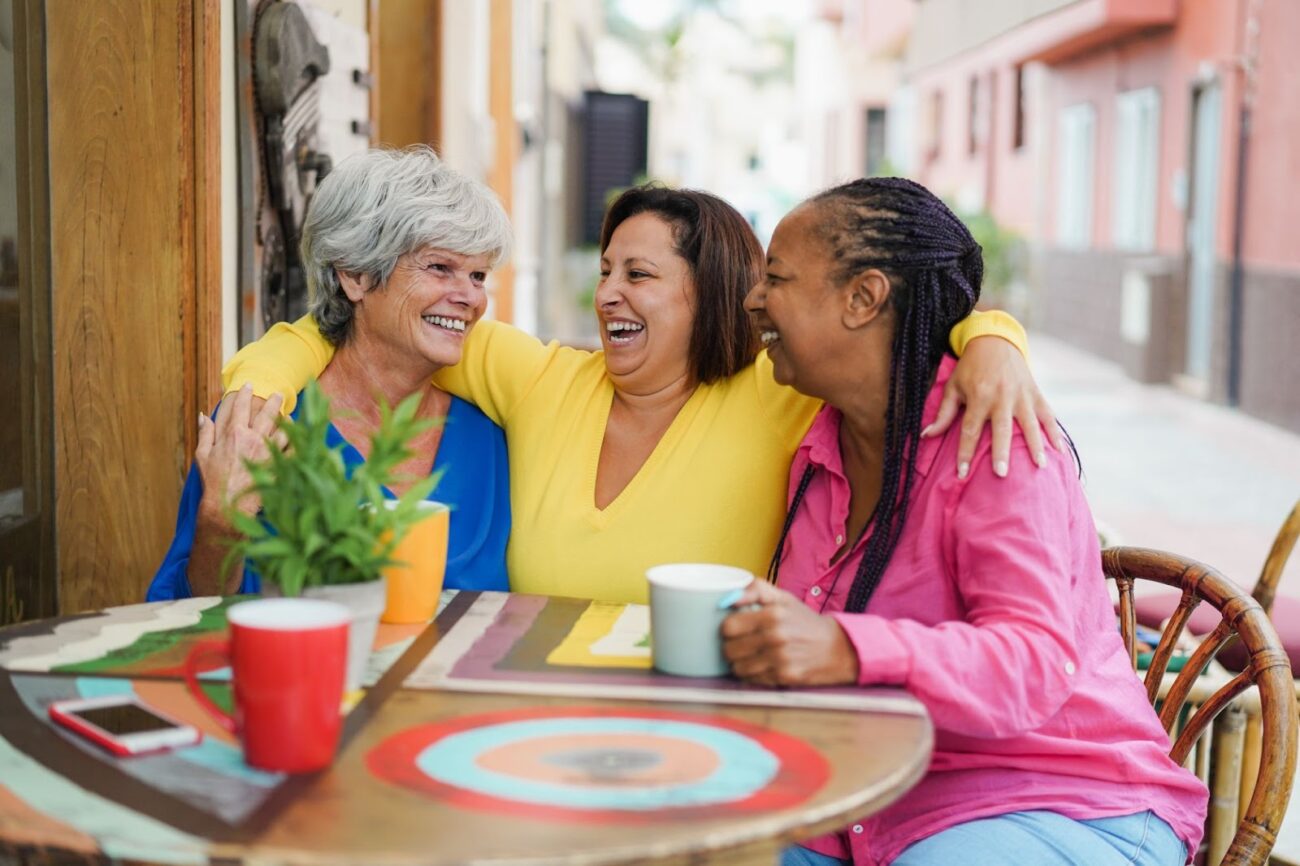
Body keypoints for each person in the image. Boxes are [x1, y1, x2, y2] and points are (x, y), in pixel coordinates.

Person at [220, 183, 1057, 605]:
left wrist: (992, 338)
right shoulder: (543, 378)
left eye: (641, 275)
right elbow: (372, 326)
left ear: (714, 292)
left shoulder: (779, 393)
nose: (609, 294)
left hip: (697, 731)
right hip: (530, 725)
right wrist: (258, 389)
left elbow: (899, 329)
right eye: (606, 271)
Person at [722, 177, 1207, 866]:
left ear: (863, 297)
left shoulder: (998, 440)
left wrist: (844, 647)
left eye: (775, 277)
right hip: (876, 800)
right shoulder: (817, 448)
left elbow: (1032, 663)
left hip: (1061, 796)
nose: (754, 298)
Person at [148, 147, 512, 600]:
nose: (469, 297)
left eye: (478, 276)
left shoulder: (490, 435)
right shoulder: (258, 423)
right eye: (440, 267)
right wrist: (222, 517)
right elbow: (189, 611)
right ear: (355, 275)